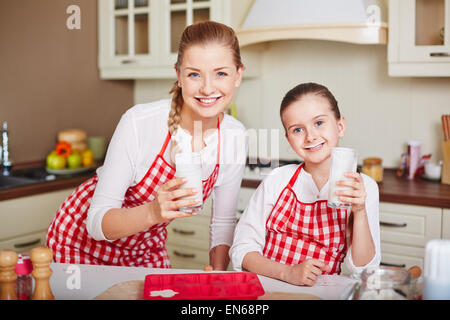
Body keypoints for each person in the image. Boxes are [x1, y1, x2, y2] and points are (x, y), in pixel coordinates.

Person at [46, 21, 247, 270]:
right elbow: (96, 223)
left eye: (221, 73)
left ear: (238, 75)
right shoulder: (139, 122)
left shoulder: (234, 136)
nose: (207, 88)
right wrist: (153, 212)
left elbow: (224, 222)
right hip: (81, 245)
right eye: (194, 74)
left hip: (144, 249)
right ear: (179, 76)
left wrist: (217, 274)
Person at [230, 82, 380, 286]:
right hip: (268, 286)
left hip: (321, 292)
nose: (310, 136)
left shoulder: (364, 188)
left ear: (340, 126)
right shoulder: (278, 179)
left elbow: (364, 269)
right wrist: (288, 273)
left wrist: (360, 211)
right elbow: (242, 249)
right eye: (298, 129)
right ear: (288, 139)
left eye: (319, 123)